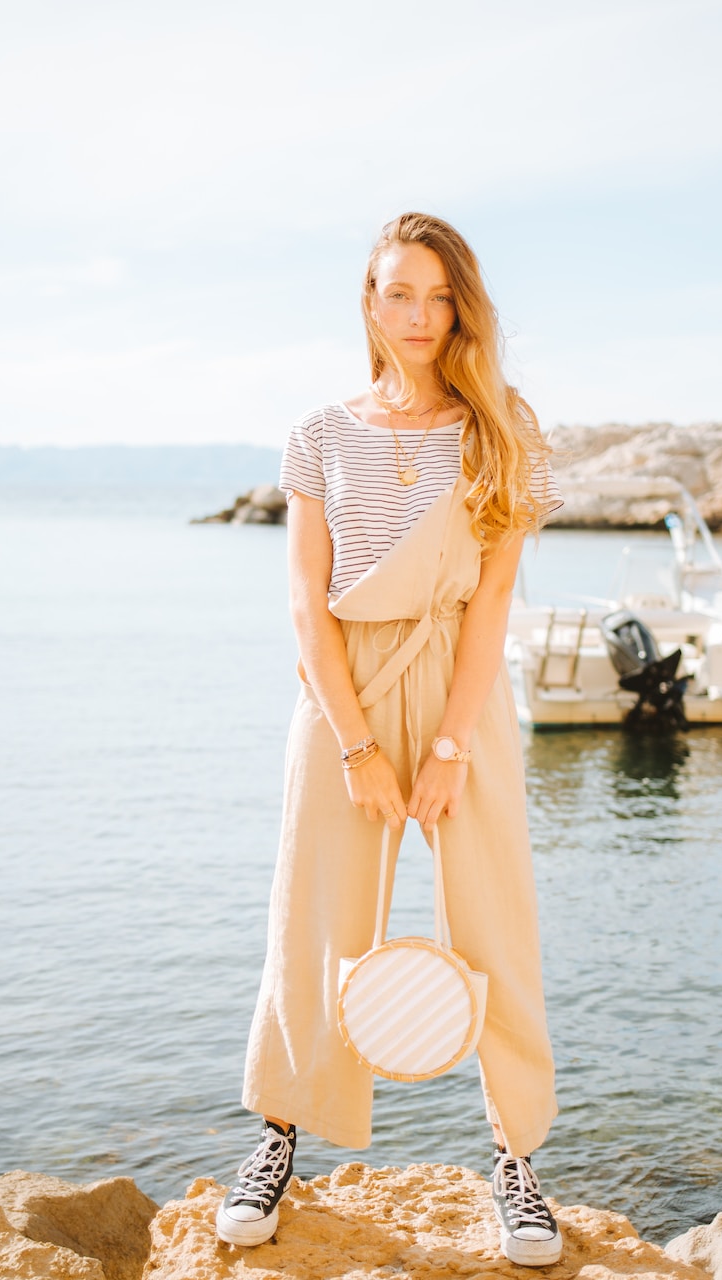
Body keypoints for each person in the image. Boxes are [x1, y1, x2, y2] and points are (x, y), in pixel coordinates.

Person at [219, 212, 565, 1266]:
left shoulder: (506, 423)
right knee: (312, 920)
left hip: (461, 685)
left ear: (462, 305)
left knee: (493, 921)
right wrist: (360, 744)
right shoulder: (319, 434)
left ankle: (517, 1163)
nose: (419, 315)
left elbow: (496, 597)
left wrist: (453, 744)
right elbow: (301, 603)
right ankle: (277, 1139)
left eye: (439, 295)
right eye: (399, 293)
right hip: (344, 695)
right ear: (368, 304)